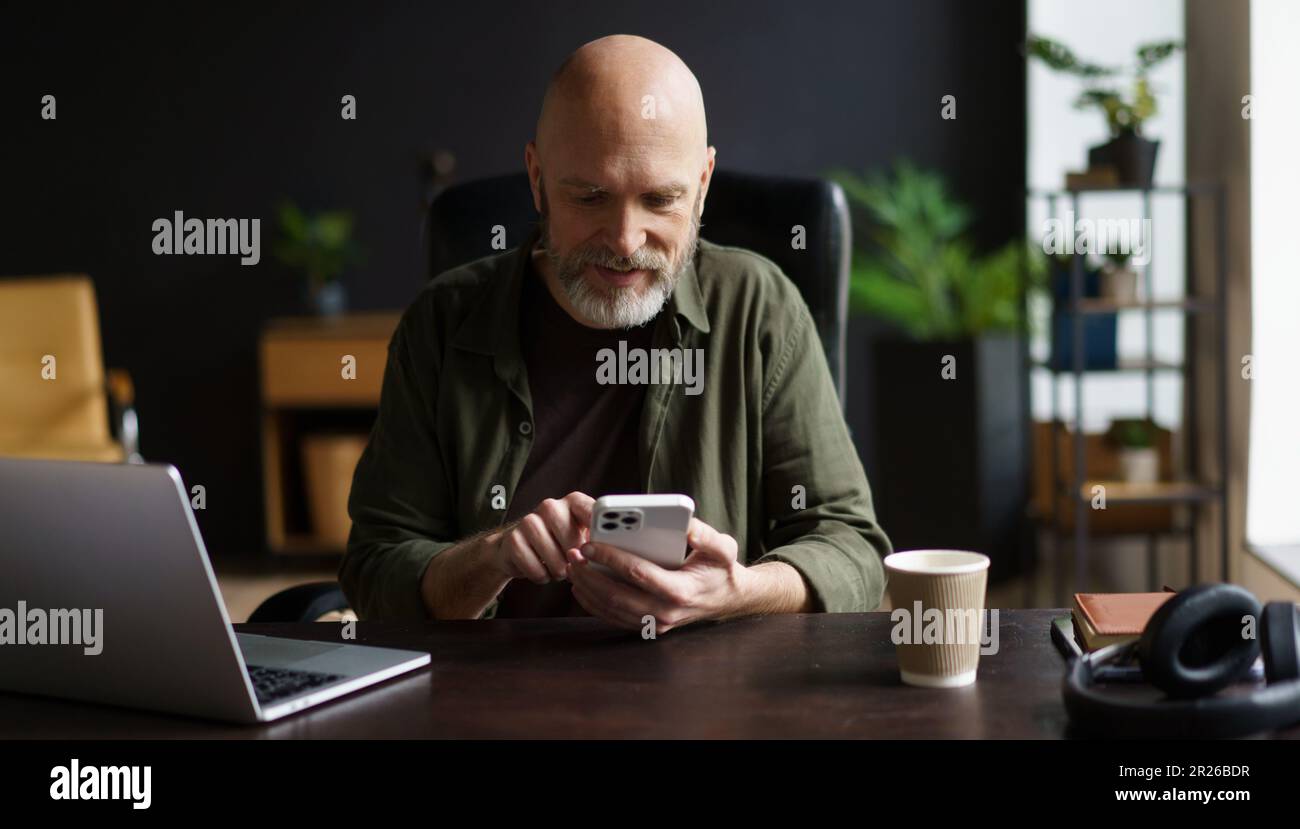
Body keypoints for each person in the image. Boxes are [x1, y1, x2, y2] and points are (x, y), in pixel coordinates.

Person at [340, 34, 891, 631]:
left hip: (709, 705)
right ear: (537, 178)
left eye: (660, 199)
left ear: (702, 184)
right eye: (590, 197)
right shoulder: (440, 324)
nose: (626, 241)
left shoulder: (761, 308)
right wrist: (491, 557)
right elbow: (375, 570)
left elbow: (853, 549)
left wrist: (737, 591)